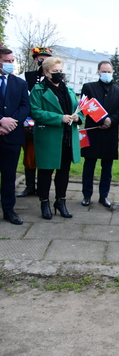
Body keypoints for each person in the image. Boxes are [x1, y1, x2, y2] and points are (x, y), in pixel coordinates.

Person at [29, 56, 84, 220]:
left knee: (63, 172)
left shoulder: (69, 90)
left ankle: (60, 201)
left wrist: (77, 117)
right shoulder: (38, 90)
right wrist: (58, 118)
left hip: (67, 137)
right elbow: (35, 112)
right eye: (55, 71)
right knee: (45, 171)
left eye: (60, 71)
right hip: (49, 137)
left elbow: (79, 108)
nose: (59, 74)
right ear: (46, 72)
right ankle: (44, 202)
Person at [80, 61, 119, 208]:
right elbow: (84, 106)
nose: (106, 74)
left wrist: (110, 121)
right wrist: (100, 119)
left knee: (107, 169)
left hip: (109, 134)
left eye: (109, 71)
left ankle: (103, 196)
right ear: (98, 72)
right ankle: (87, 195)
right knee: (89, 166)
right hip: (93, 131)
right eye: (103, 71)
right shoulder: (89, 87)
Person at [0, 46, 30, 225]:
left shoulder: (20, 83)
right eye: (7, 61)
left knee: (9, 176)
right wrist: (1, 120)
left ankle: (9, 210)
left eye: (12, 61)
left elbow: (25, 106)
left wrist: (10, 123)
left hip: (12, 137)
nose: (11, 64)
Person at [18, 46, 53, 198]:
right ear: (35, 59)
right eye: (41, 57)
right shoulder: (25, 76)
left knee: (45, 156)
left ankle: (43, 187)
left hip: (47, 122)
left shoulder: (54, 77)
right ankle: (30, 185)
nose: (44, 60)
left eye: (46, 57)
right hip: (29, 123)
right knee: (30, 156)